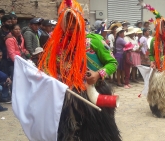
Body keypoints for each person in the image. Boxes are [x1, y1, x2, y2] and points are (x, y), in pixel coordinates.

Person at [37, 0, 120, 140]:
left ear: (80, 20)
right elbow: (46, 67)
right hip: (65, 96)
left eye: (73, 20)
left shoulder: (94, 41)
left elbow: (112, 63)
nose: (70, 25)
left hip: (93, 94)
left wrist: (98, 74)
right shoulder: (54, 45)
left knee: (98, 135)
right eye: (66, 20)